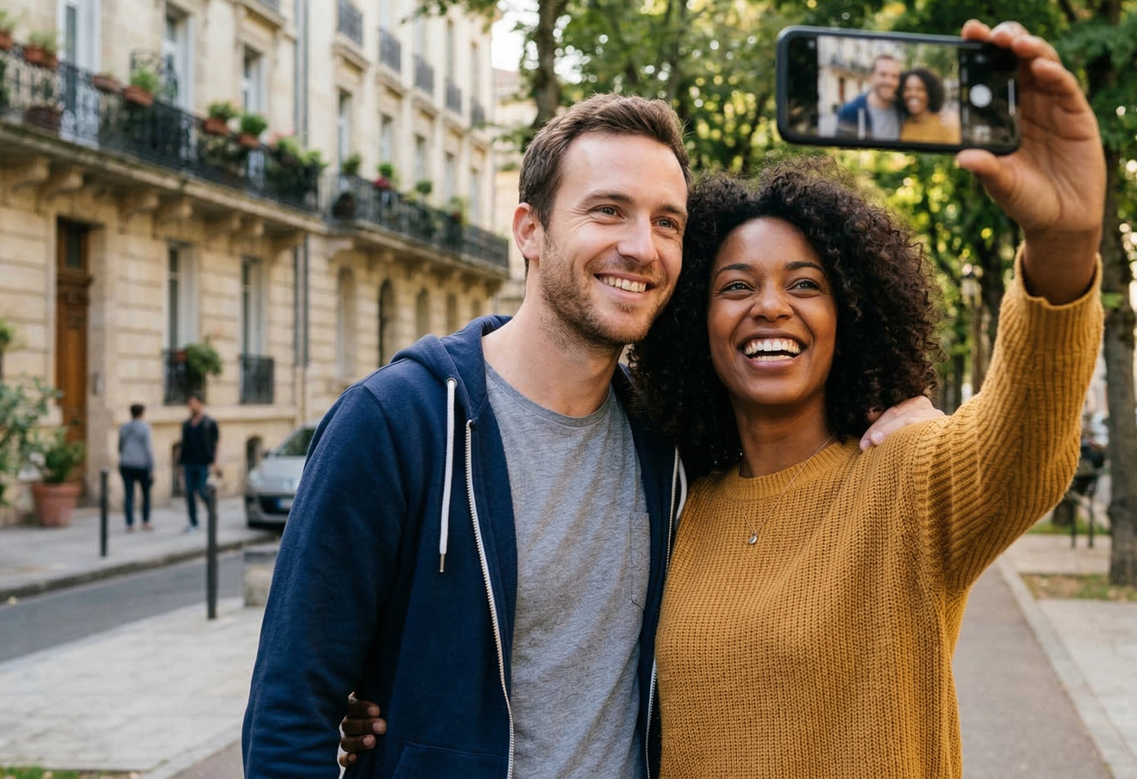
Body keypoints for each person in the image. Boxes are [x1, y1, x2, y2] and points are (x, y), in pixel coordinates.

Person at [252, 94, 938, 777]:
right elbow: (289, 716)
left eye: (666, 222)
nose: (641, 247)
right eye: (608, 210)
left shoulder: (670, 442)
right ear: (530, 230)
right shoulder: (396, 422)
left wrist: (913, 419)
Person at [626, 19, 1105, 778]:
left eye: (805, 284)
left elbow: (1022, 449)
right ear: (694, 322)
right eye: (736, 287)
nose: (770, 307)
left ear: (850, 316)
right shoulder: (683, 497)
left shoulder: (904, 474)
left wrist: (1063, 244)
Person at [835, 53, 903, 140]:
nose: (889, 81)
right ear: (871, 78)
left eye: (894, 76)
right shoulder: (850, 112)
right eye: (883, 75)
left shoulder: (901, 111)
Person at [178, 392, 219, 534]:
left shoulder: (209, 423)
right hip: (188, 463)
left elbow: (215, 443)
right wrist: (180, 464)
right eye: (189, 404)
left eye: (193, 403)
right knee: (189, 493)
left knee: (202, 491)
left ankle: (212, 514)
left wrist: (215, 462)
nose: (191, 406)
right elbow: (182, 444)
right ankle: (193, 522)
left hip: (203, 463)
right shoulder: (186, 424)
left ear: (200, 404)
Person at [898, 66, 961, 144]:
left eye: (920, 89)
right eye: (907, 89)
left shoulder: (946, 125)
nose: (912, 93)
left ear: (930, 93)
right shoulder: (903, 122)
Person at [118, 403, 155, 532]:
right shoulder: (145, 428)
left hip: (126, 463)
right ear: (142, 414)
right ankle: (145, 521)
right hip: (142, 464)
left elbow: (120, 446)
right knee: (146, 495)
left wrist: (124, 455)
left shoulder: (124, 427)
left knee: (129, 494)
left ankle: (130, 524)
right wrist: (151, 467)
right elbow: (148, 449)